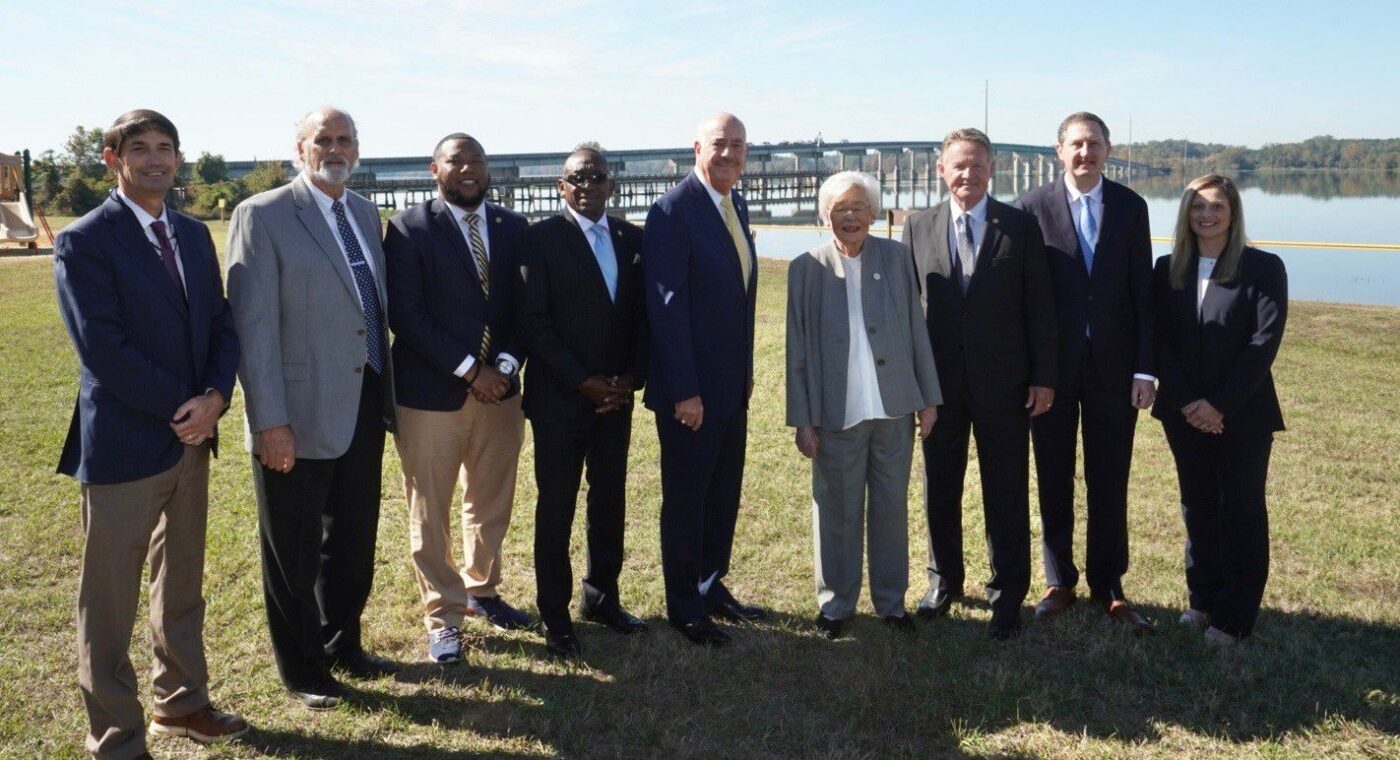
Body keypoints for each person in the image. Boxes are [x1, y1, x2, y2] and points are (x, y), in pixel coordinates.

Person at [54, 108, 247, 758]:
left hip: (194, 440)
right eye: (141, 149)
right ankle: (115, 736)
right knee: (108, 606)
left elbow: (221, 323)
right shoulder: (85, 240)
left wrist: (217, 398)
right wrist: (183, 407)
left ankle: (182, 703)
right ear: (113, 158)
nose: (157, 160)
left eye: (167, 148)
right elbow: (103, 350)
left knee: (182, 585)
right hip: (126, 448)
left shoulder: (192, 235)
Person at [227, 106, 398, 710]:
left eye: (344, 138)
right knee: (292, 548)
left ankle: (343, 642)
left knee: (351, 539)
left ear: (357, 147)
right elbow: (253, 328)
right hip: (294, 415)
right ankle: (303, 670)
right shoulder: (262, 215)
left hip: (363, 403)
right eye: (322, 139)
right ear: (299, 150)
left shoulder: (361, 211)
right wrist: (269, 420)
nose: (335, 147)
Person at [902, 127, 1057, 640]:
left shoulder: (1019, 225)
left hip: (1005, 386)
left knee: (1005, 491)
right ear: (941, 170)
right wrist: (911, 386)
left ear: (992, 169)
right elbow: (908, 311)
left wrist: (1043, 376)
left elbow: (1040, 307)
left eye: (977, 164)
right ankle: (943, 581)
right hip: (938, 389)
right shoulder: (918, 226)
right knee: (938, 489)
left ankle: (1007, 594)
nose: (967, 174)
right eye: (957, 165)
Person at [383, 133, 531, 665]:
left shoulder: (515, 228)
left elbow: (526, 308)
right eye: (456, 160)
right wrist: (473, 372)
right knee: (431, 511)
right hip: (431, 395)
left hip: (501, 394)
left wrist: (507, 367)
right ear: (434, 169)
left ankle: (482, 590)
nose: (468, 168)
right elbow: (407, 314)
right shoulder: (408, 228)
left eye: (476, 160)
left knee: (490, 498)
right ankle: (442, 617)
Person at [786, 171, 942, 639]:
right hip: (836, 413)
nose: (850, 216)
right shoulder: (805, 268)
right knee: (836, 508)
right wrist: (803, 419)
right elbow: (797, 348)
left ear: (874, 213)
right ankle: (835, 606)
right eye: (839, 208)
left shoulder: (896, 258)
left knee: (891, 508)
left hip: (893, 409)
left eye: (859, 207)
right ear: (825, 215)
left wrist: (928, 399)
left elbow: (917, 330)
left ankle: (891, 603)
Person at [1016, 112, 1156, 633]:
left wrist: (1146, 369)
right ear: (1058, 151)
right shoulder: (1031, 208)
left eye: (1094, 144)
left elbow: (1143, 292)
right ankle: (1059, 580)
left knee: (1109, 477)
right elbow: (1025, 298)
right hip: (1052, 372)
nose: (1085, 153)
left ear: (1108, 149)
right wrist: (1034, 370)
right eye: (1076, 144)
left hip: (1116, 371)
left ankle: (1108, 582)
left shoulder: (1131, 207)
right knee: (1052, 474)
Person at [517, 148, 650, 657]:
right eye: (577, 178)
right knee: (557, 508)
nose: (587, 185)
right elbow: (534, 324)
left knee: (609, 500)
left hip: (615, 401)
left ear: (611, 186)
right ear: (561, 185)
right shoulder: (539, 240)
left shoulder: (632, 239)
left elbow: (641, 318)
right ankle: (555, 615)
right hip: (559, 401)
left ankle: (602, 597)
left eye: (596, 177)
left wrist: (631, 379)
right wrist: (582, 381)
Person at [643, 112, 763, 647]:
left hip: (729, 387)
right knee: (688, 499)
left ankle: (711, 583)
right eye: (720, 144)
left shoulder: (734, 204)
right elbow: (667, 308)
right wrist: (685, 389)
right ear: (697, 147)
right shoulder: (673, 211)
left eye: (738, 145)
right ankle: (684, 606)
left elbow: (737, 298)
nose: (729, 154)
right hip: (691, 393)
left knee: (722, 493)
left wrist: (744, 374)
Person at [1153, 174, 1287, 646]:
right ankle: (1202, 599)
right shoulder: (1168, 267)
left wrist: (1219, 405)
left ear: (1233, 213)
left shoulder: (1263, 267)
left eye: (1216, 207)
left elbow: (1262, 342)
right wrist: (1190, 401)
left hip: (1243, 415)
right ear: (1186, 213)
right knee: (1198, 506)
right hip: (1183, 412)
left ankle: (1233, 617)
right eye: (1197, 207)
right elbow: (1161, 342)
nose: (1206, 215)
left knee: (1242, 511)